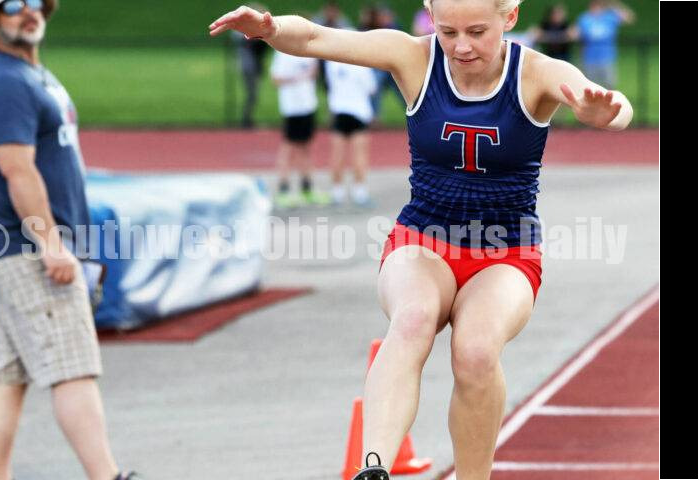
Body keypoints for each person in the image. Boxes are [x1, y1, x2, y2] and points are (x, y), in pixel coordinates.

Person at [209, 0, 633, 478]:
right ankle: (373, 469)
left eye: (477, 31)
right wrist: (269, 27)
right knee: (411, 323)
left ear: (509, 17)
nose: (461, 46)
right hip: (422, 239)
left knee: (474, 351)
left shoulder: (536, 71)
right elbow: (312, 40)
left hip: (506, 251)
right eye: (448, 30)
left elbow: (611, 105)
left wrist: (604, 114)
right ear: (431, 15)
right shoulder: (414, 56)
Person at [0, 1, 139, 479]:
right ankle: (108, 476)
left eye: (36, 2)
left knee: (8, 374)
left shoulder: (30, 75)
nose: (30, 12)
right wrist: (51, 243)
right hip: (26, 247)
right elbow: (15, 169)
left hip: (19, 246)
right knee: (73, 366)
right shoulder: (3, 82)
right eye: (14, 6)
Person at [270, 48, 329, 208]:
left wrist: (312, 72)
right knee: (289, 148)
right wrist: (297, 78)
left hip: (308, 105)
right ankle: (283, 189)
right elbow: (275, 79)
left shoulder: (307, 51)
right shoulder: (283, 54)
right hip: (292, 108)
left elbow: (314, 72)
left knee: (306, 148)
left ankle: (307, 187)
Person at [325, 58, 378, 207]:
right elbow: (371, 88)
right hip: (358, 111)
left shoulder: (332, 63)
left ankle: (337, 192)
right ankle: (359, 192)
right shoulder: (362, 64)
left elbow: (329, 85)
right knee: (359, 154)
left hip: (339, 109)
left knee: (337, 154)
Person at [575, 0, 635, 89]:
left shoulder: (609, 17)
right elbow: (574, 34)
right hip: (589, 59)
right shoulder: (585, 18)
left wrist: (613, 3)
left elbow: (630, 18)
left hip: (607, 58)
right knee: (590, 87)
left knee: (610, 87)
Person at [236, 2, 270, 128]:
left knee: (253, 94)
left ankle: (247, 118)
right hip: (249, 67)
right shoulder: (247, 32)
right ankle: (246, 120)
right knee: (252, 94)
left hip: (254, 65)